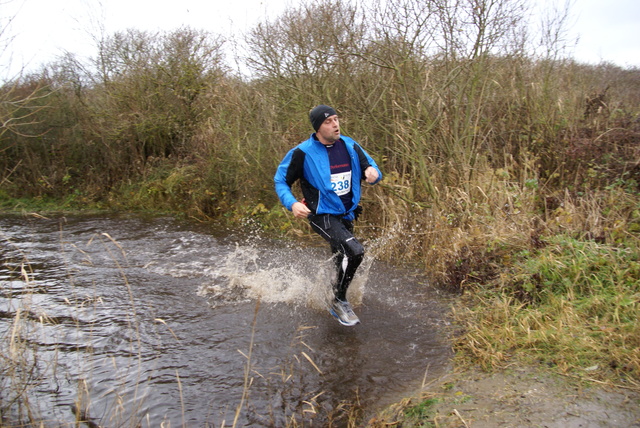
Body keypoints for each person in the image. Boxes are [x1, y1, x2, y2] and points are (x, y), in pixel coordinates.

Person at [274, 105, 382, 326]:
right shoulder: (302, 153)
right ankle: (338, 301)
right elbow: (281, 180)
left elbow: (369, 166)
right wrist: (292, 203)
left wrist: (373, 173)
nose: (335, 124)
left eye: (336, 119)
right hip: (321, 215)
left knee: (340, 257)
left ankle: (328, 292)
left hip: (347, 214)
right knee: (355, 251)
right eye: (328, 121)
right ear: (317, 127)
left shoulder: (350, 145)